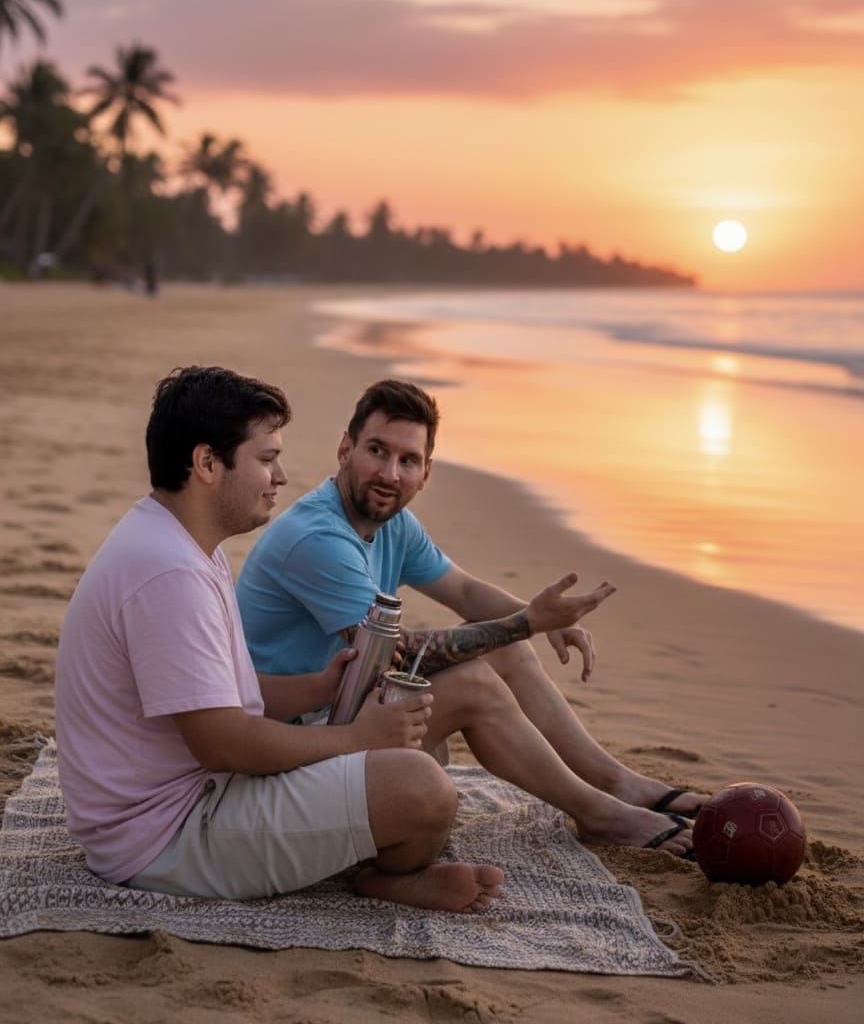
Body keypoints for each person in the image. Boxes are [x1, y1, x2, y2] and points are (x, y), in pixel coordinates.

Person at [53, 366, 622, 911]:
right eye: (267, 459)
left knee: (416, 753)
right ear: (206, 463)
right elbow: (222, 743)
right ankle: (384, 877)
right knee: (420, 785)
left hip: (186, 798)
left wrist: (318, 687)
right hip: (166, 835)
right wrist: (356, 738)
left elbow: (230, 694)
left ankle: (594, 797)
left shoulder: (182, 548)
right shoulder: (170, 573)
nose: (279, 478)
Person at [236, 380, 706, 858]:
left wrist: (543, 617)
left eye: (408, 460)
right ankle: (601, 814)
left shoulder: (392, 524)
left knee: (503, 646)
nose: (390, 473)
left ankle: (614, 783)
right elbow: (398, 653)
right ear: (345, 449)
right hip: (283, 748)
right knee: (476, 681)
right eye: (376, 451)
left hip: (335, 715)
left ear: (426, 472)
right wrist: (527, 621)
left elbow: (463, 590)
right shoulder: (318, 539)